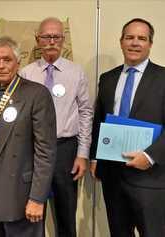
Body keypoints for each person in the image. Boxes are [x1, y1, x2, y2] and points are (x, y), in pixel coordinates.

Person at [0, 36, 56, 237]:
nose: (0, 65)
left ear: (18, 63)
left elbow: (46, 152)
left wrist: (37, 198)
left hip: (21, 193)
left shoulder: (36, 94)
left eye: (7, 60)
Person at [90, 18, 165, 237]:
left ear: (150, 44)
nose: (135, 43)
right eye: (129, 37)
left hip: (151, 177)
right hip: (113, 177)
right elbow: (99, 121)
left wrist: (150, 156)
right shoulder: (107, 78)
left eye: (141, 38)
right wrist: (95, 158)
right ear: (121, 41)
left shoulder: (163, 78)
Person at [20, 17, 93, 237]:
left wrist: (82, 154)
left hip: (66, 150)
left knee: (66, 214)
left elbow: (86, 112)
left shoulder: (76, 72)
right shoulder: (26, 73)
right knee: (32, 214)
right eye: (46, 36)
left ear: (63, 39)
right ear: (37, 39)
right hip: (33, 150)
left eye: (56, 37)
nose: (51, 41)